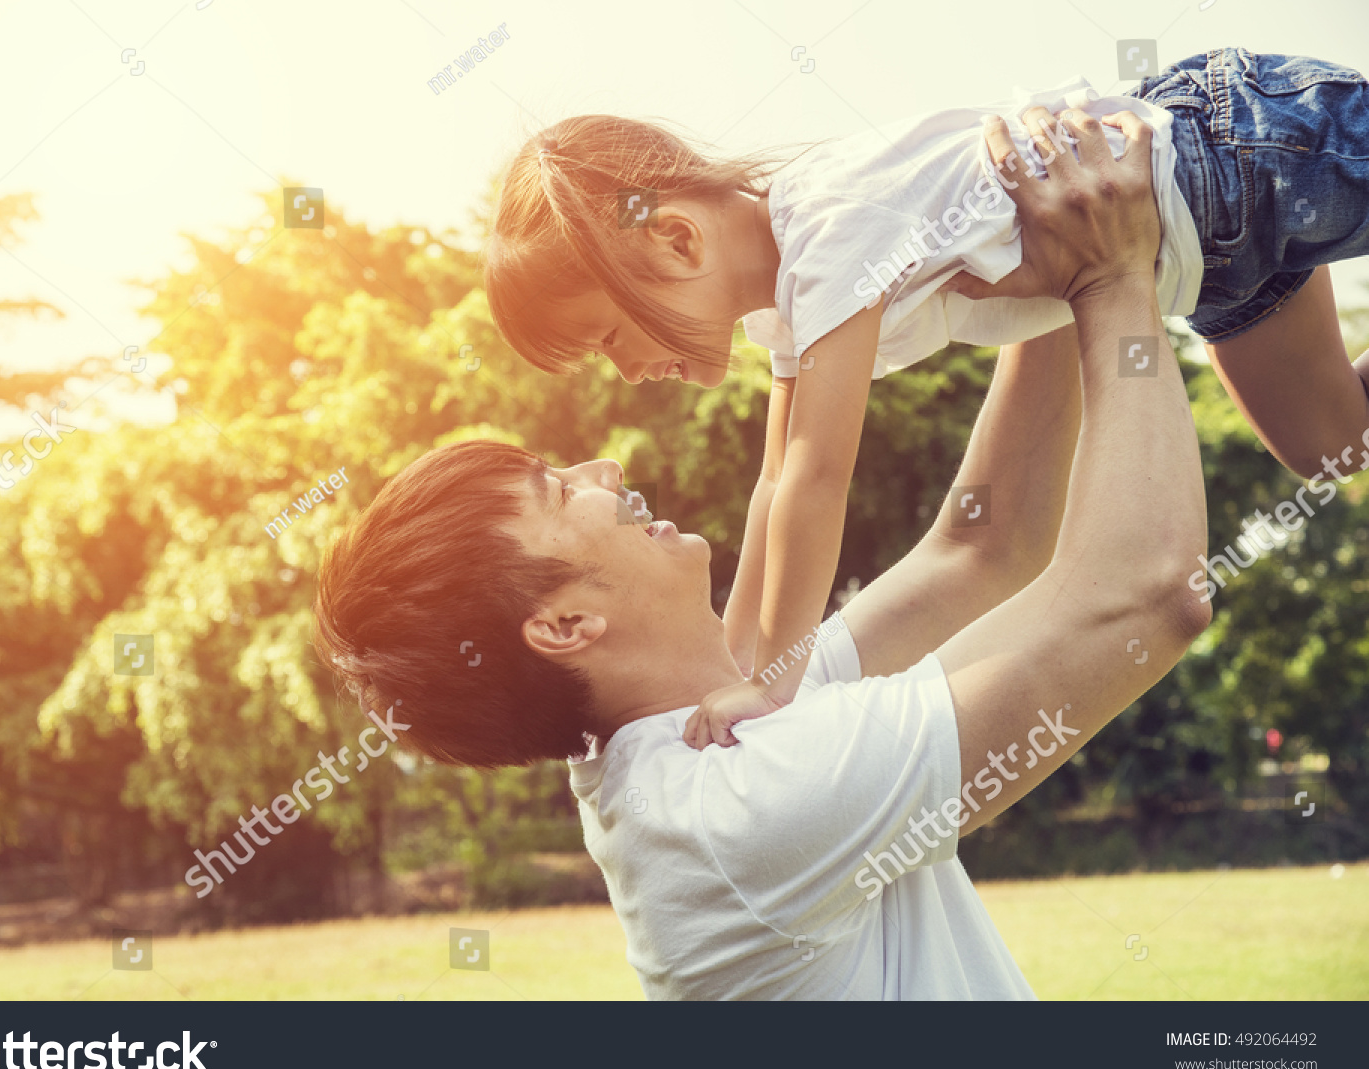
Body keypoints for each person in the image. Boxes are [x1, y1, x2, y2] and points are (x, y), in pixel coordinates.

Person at [314, 106, 1212, 998]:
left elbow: (986, 545)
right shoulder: (736, 809)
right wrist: (1114, 278)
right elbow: (1146, 593)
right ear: (562, 624)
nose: (604, 465)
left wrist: (1044, 264)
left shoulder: (711, 720)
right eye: (558, 489)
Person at [481, 48, 1369, 748]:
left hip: (1229, 157)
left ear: (678, 242)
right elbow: (770, 492)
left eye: (610, 340)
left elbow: (816, 478)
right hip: (1202, 261)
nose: (627, 372)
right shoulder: (789, 308)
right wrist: (732, 661)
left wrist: (775, 681)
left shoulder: (827, 236)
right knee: (1332, 443)